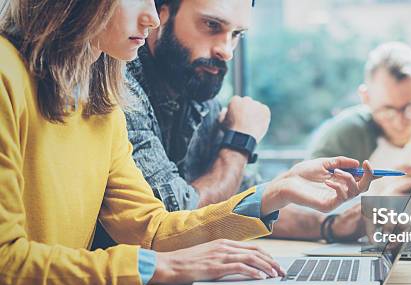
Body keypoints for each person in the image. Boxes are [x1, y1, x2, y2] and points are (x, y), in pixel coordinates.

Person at [0, 0, 373, 285]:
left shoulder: (105, 99)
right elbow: (6, 264)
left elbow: (152, 229)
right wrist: (157, 268)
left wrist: (273, 193)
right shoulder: (6, 76)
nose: (151, 17)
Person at [90, 0, 372, 247]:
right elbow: (172, 223)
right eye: (211, 25)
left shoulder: (195, 88)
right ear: (161, 13)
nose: (226, 50)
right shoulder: (114, 83)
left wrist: (331, 226)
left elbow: (238, 202)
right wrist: (239, 142)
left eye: (236, 34)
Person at [309, 42, 411, 196]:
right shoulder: (345, 136)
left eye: (410, 108)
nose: (400, 122)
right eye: (387, 111)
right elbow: (308, 202)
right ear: (366, 97)